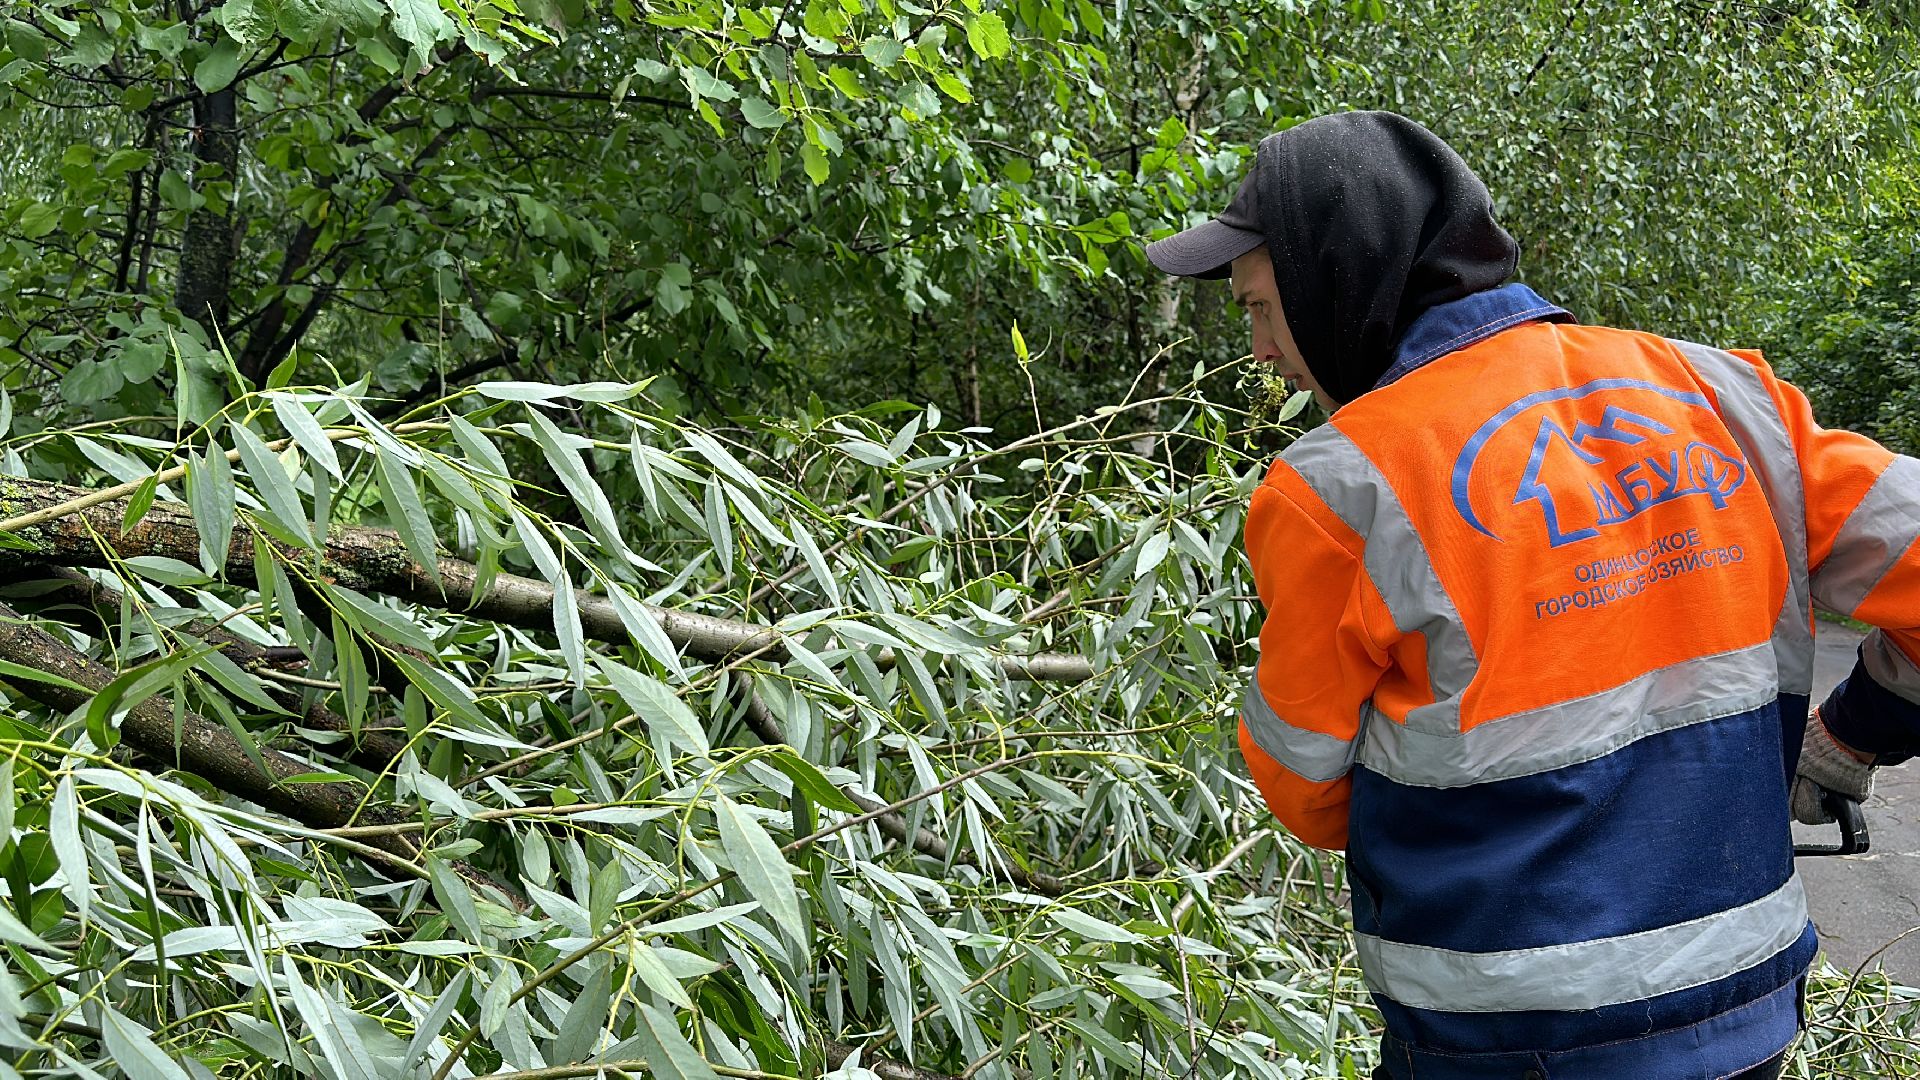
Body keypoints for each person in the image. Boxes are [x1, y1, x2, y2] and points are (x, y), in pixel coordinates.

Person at [1146, 110, 1917, 1080]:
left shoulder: (1337, 488)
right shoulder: (1726, 397)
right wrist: (1853, 731)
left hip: (1504, 1039)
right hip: (1743, 1015)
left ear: (1337, 277)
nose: (1261, 348)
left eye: (1261, 306)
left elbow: (1307, 793)